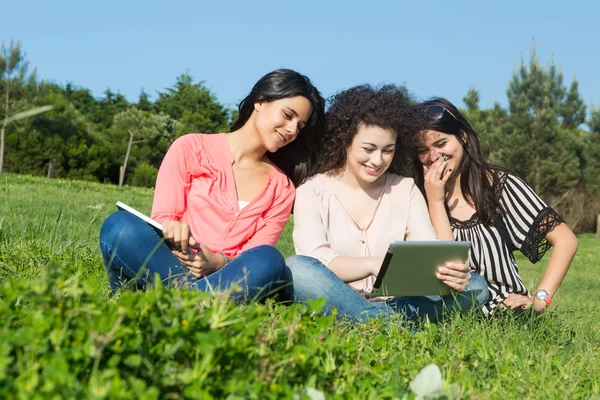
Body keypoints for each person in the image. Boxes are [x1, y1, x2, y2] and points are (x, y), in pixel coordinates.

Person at [99, 69, 325, 302]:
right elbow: (164, 216)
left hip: (227, 278)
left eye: (300, 126)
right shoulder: (190, 147)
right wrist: (174, 228)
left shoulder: (282, 188)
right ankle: (197, 304)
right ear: (261, 101)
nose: (292, 130)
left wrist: (218, 261)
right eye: (288, 115)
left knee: (270, 259)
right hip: (169, 264)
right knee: (119, 226)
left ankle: (179, 303)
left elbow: (254, 256)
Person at [286, 85, 489, 323]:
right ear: (345, 142)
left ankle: (370, 322)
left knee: (476, 285)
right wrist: (373, 264)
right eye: (368, 149)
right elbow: (317, 259)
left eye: (388, 151)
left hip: (401, 300)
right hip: (337, 294)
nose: (377, 160)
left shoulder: (405, 189)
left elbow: (426, 253)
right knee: (296, 270)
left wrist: (451, 273)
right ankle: (393, 324)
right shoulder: (312, 190)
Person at [412, 98, 578, 316]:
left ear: (462, 137)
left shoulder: (500, 185)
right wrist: (435, 201)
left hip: (506, 313)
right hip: (451, 312)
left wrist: (539, 299)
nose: (433, 157)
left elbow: (566, 240)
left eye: (441, 144)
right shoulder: (415, 198)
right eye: (423, 150)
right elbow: (450, 267)